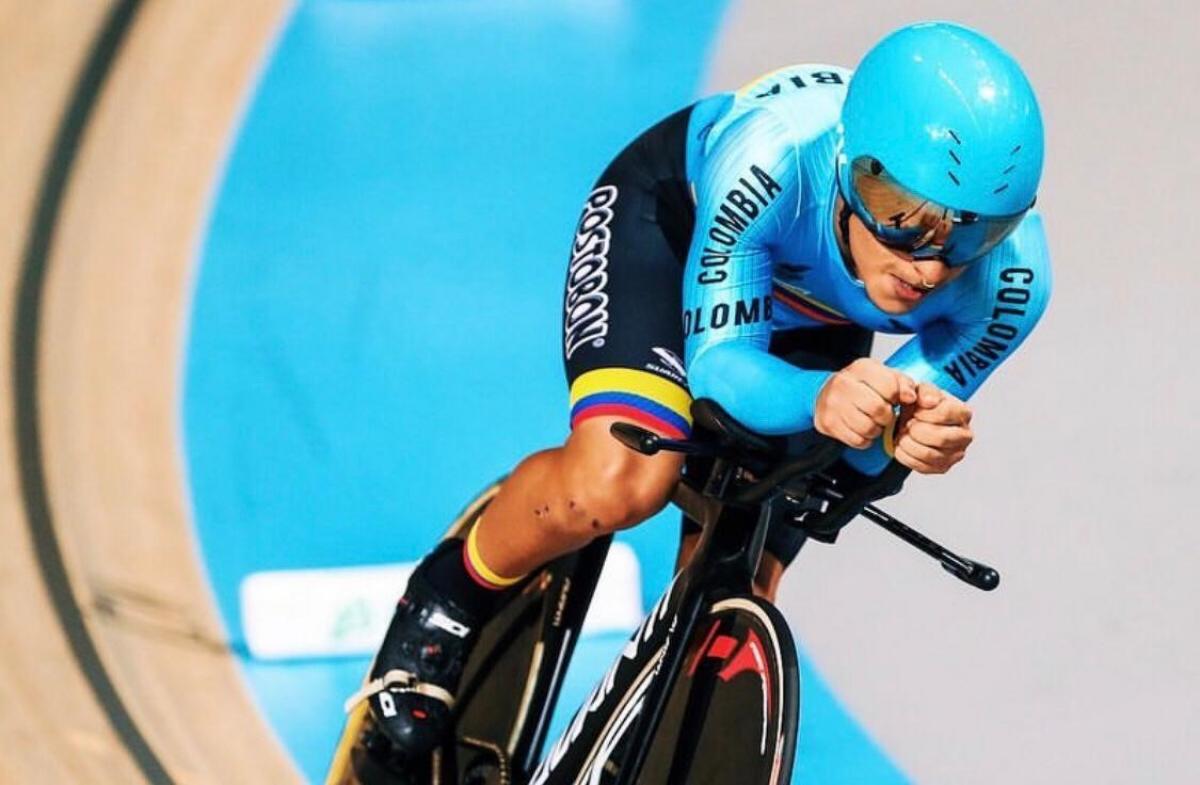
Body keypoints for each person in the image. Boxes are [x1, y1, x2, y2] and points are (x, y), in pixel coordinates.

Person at [356, 21, 1051, 758]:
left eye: (973, 235)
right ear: (853, 167)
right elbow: (720, 372)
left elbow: (869, 450)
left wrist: (907, 437)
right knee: (621, 482)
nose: (934, 266)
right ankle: (449, 594)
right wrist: (823, 401)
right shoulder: (773, 156)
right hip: (675, 234)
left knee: (743, 581)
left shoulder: (1013, 282)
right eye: (906, 222)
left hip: (806, 313)